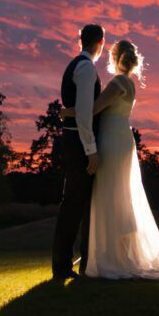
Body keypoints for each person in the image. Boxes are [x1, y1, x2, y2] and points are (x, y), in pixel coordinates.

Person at [61, 38, 159, 280]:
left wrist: (68, 112)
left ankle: (112, 257)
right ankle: (116, 253)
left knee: (109, 193)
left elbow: (94, 108)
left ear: (115, 57)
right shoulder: (129, 83)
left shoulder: (118, 82)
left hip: (112, 140)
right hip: (122, 139)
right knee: (120, 194)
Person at [51, 23, 104, 279]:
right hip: (78, 142)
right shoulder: (85, 68)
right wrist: (91, 150)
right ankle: (62, 265)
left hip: (72, 139)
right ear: (101, 43)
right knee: (74, 203)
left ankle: (79, 262)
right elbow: (84, 113)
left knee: (77, 202)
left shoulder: (75, 64)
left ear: (80, 40)